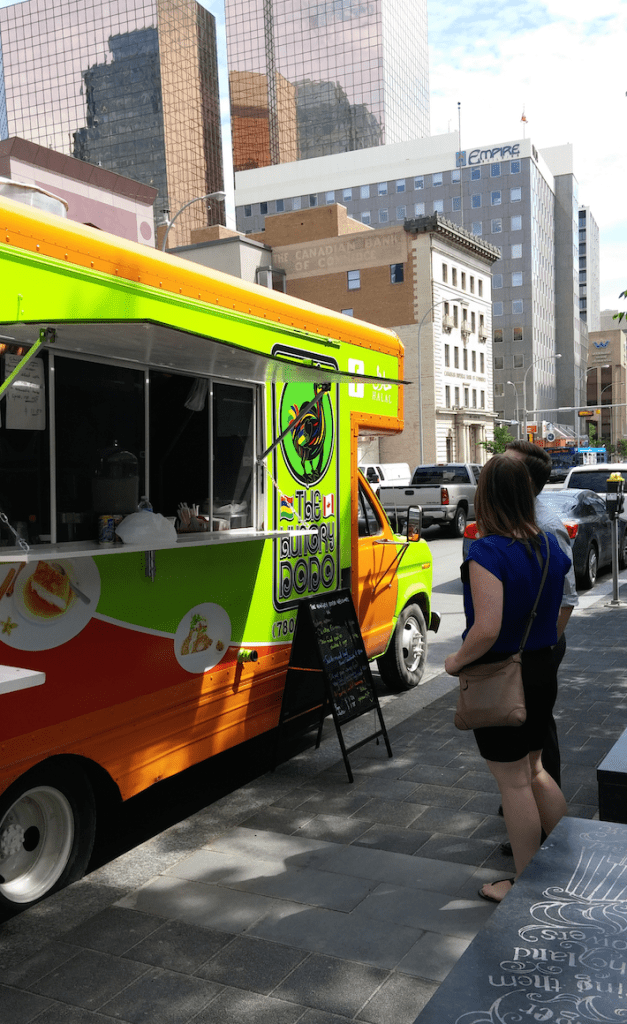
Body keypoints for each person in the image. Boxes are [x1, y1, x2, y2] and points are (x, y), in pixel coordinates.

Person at [445, 455, 571, 903]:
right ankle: (568, 859)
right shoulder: (551, 545)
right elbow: (560, 610)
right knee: (535, 770)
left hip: (501, 677)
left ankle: (525, 886)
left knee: (514, 782)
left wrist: (455, 661)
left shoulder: (487, 552)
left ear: (487, 496)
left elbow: (487, 629)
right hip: (540, 669)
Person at [503, 440, 579, 790]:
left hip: (537, 646)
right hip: (519, 645)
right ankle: (521, 798)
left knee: (537, 729)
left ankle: (547, 809)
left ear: (526, 482)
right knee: (518, 724)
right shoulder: (510, 519)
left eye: (507, 466)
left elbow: (567, 600)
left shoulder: (545, 527)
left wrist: (542, 650)